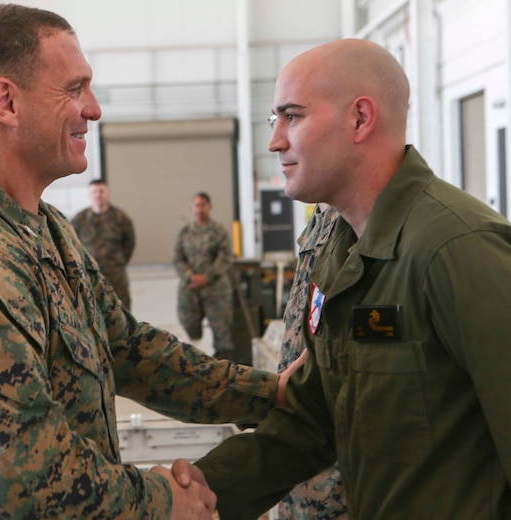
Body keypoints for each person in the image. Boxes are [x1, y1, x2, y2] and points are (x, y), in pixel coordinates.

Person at [0, 5, 303, 518]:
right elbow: (27, 483)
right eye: (74, 88)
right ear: (6, 102)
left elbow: (129, 349)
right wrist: (163, 503)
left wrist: (269, 394)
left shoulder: (44, 228)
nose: (93, 109)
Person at [172, 38, 511, 518]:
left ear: (360, 118)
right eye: (276, 120)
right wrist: (199, 488)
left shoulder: (456, 249)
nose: (275, 141)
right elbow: (313, 420)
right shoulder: (340, 254)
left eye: (293, 116)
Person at [275, 204, 347, 519]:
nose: (276, 150)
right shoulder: (320, 214)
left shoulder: (354, 219)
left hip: (331, 456)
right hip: (298, 430)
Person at [173, 192, 235, 359]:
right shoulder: (185, 233)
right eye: (196, 205)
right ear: (192, 208)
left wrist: (206, 277)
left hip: (216, 289)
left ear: (209, 207)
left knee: (223, 334)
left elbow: (225, 257)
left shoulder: (218, 231)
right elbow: (178, 259)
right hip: (190, 289)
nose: (199, 209)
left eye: (203, 205)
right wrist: (190, 276)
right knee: (190, 329)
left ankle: (225, 369)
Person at [71, 179, 135, 309]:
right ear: (89, 195)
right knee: (91, 310)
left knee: (122, 310)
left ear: (108, 193)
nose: (98, 195)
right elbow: (71, 244)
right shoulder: (80, 219)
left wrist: (119, 262)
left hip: (115, 275)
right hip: (89, 275)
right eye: (94, 192)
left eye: (101, 191)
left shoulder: (120, 217)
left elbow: (129, 243)